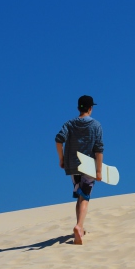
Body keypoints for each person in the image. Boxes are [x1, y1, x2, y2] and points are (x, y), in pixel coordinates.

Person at [55, 95, 104, 245]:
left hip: (73, 165)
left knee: (79, 196)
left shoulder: (69, 124)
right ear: (90, 108)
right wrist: (99, 171)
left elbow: (58, 139)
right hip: (88, 166)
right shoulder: (96, 125)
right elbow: (98, 149)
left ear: (78, 108)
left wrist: (61, 158)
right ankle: (79, 226)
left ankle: (79, 229)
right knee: (85, 198)